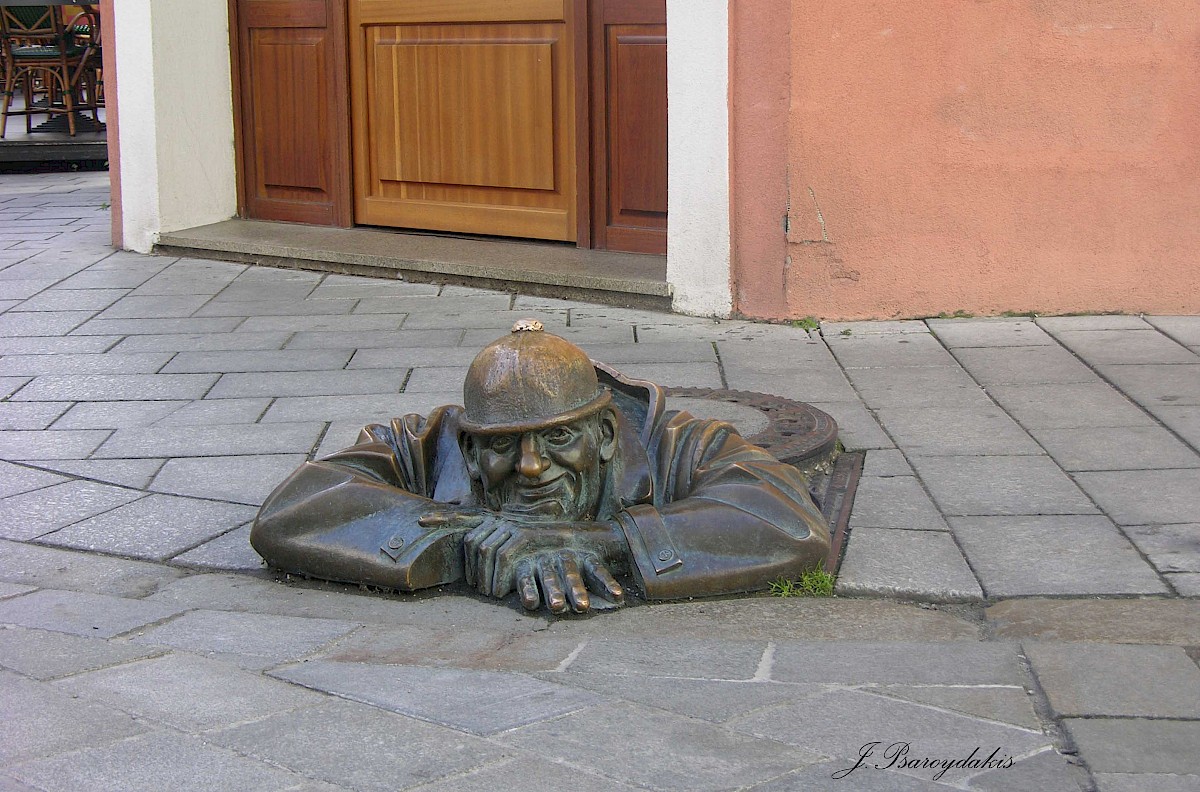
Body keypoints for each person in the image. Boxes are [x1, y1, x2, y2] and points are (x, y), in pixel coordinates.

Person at [250, 320, 830, 614]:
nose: (530, 466)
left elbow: (788, 520)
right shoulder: (424, 442)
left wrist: (602, 541)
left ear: (605, 435)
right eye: (503, 445)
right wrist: (467, 536)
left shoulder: (677, 443)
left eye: (558, 438)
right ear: (470, 447)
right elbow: (293, 508)